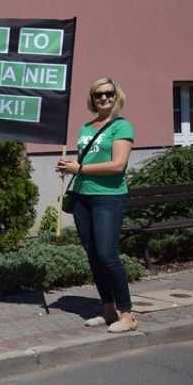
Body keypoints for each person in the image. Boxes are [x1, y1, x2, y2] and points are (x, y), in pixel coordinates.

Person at [56, 77, 136, 333]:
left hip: (108, 197)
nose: (104, 98)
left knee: (107, 255)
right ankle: (108, 310)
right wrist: (69, 169)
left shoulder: (121, 127)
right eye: (98, 95)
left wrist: (81, 168)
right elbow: (84, 161)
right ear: (92, 99)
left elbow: (117, 165)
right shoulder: (86, 128)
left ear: (116, 96)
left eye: (109, 93)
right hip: (82, 196)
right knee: (93, 256)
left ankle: (127, 315)